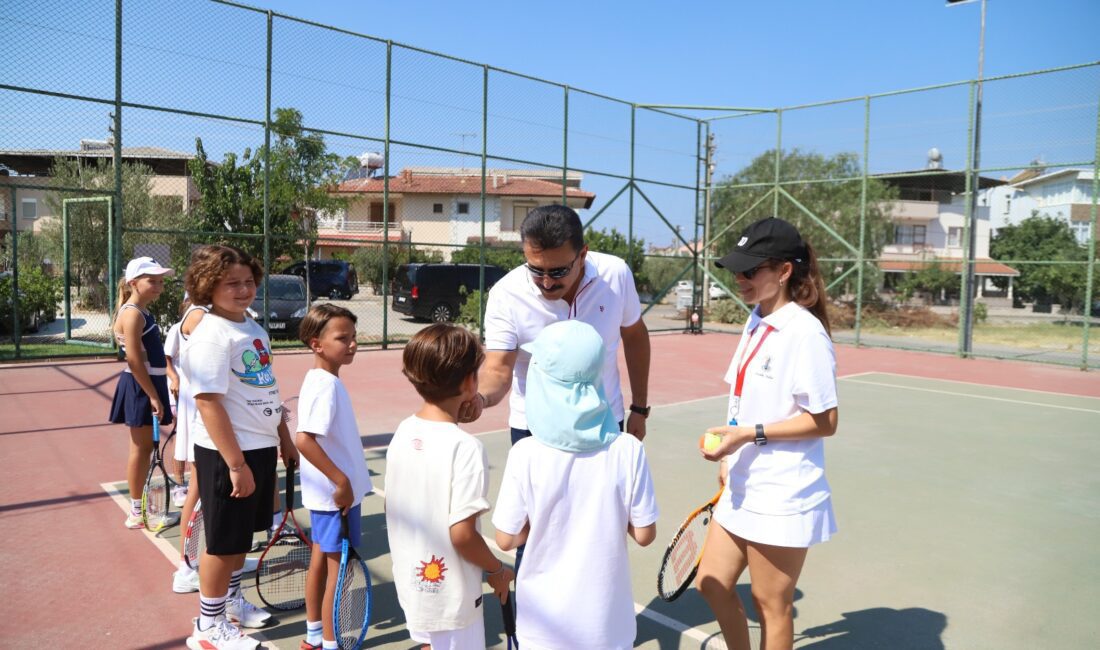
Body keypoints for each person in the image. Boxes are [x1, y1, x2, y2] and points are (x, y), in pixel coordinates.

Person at [695, 216, 839, 650]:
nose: (739, 279)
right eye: (736, 270)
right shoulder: (757, 318)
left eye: (750, 270)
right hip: (744, 480)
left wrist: (749, 436)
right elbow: (742, 396)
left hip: (783, 490)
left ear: (784, 271)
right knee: (712, 583)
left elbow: (825, 421)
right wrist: (731, 452)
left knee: (769, 602)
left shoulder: (806, 333)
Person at [493, 319, 658, 650]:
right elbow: (644, 534)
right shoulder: (628, 449)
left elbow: (506, 539)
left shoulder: (525, 453)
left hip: (542, 628)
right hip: (608, 626)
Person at [183, 245, 299, 650]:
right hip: (228, 454)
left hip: (260, 447)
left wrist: (284, 439)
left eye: (249, 281)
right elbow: (208, 402)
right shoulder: (211, 334)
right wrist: (235, 464)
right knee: (222, 541)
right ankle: (207, 627)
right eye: (232, 283)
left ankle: (230, 602)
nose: (243, 289)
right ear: (208, 285)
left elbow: (267, 387)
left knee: (241, 539)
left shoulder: (252, 327)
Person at [460, 204, 651, 442]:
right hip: (533, 429)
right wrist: (481, 398)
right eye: (536, 270)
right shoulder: (506, 294)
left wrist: (640, 408)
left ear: (582, 256)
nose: (547, 282)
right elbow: (498, 368)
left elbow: (635, 336)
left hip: (604, 422)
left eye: (558, 271)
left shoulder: (615, 275)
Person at [386, 324, 515, 649]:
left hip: (413, 582)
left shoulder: (403, 431)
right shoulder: (465, 447)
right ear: (470, 382)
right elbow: (462, 533)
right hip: (452, 594)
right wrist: (496, 569)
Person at [294, 304, 372, 650]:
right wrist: (341, 482)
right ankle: (329, 642)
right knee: (337, 574)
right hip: (334, 497)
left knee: (320, 566)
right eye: (343, 338)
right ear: (317, 344)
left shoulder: (322, 380)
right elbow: (304, 440)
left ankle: (314, 635)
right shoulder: (325, 385)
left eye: (354, 337)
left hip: (329, 496)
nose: (352, 344)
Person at [108, 256, 177, 530]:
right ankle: (136, 511)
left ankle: (139, 507)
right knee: (141, 449)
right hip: (141, 386)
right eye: (153, 280)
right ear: (134, 282)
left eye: (161, 281)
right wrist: (152, 395)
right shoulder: (133, 313)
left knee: (145, 448)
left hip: (148, 384)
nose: (159, 285)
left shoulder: (141, 311)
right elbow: (134, 360)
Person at [166, 295, 209, 593]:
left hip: (212, 414)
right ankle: (187, 567)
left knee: (206, 489)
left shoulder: (213, 315)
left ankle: (216, 559)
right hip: (206, 416)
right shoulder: (199, 317)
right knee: (200, 486)